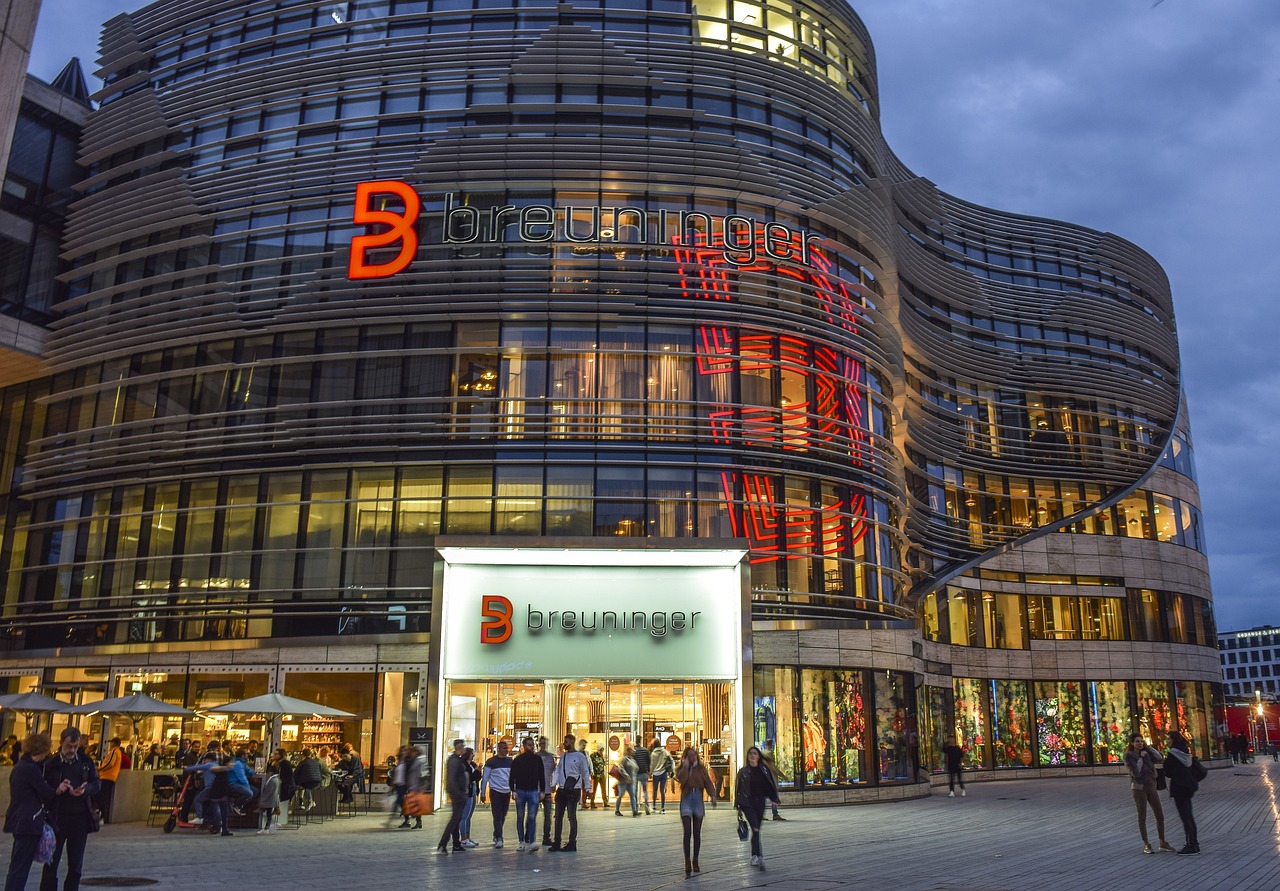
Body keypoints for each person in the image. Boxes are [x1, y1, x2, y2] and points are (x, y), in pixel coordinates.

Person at [42, 727, 101, 891]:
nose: (72, 750)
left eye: (75, 746)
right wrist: (57, 789)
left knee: (75, 865)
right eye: (69, 746)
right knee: (51, 863)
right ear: (61, 743)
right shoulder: (51, 764)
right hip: (57, 819)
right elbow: (42, 789)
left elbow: (97, 783)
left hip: (80, 820)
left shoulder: (85, 762)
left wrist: (86, 789)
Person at [5, 733, 58, 891]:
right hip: (29, 821)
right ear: (43, 750)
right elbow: (46, 792)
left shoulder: (21, 766)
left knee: (17, 865)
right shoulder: (31, 769)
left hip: (19, 819)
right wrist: (57, 789)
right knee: (21, 866)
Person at [1123, 732, 1173, 854]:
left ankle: (1162, 841)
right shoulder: (1129, 756)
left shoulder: (1147, 752)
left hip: (1151, 786)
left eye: (1141, 741)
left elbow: (1160, 757)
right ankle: (1146, 843)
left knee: (1159, 815)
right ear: (1132, 743)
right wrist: (1140, 758)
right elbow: (1136, 773)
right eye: (1137, 741)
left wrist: (1149, 748)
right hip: (1138, 788)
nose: (1140, 743)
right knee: (1142, 816)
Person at [735, 745, 779, 870]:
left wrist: (774, 799)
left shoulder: (764, 770)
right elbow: (738, 789)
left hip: (759, 802)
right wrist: (738, 805)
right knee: (755, 829)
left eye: (755, 754)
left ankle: (754, 855)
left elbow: (770, 786)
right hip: (747, 804)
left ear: (758, 756)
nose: (752, 756)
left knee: (757, 829)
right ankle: (759, 856)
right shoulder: (743, 772)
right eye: (750, 754)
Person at [676, 745, 717, 876]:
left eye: (694, 755)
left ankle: (696, 860)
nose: (693, 757)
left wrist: (713, 795)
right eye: (690, 755)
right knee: (687, 832)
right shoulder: (682, 769)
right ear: (686, 757)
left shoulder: (702, 769)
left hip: (698, 799)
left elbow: (708, 783)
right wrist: (686, 767)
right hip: (686, 799)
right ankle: (687, 860)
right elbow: (681, 780)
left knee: (697, 833)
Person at [549, 733, 591, 853]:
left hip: (574, 790)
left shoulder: (579, 756)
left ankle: (572, 843)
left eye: (566, 741)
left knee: (571, 817)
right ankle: (557, 842)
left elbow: (585, 772)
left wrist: (588, 788)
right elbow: (558, 771)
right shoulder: (563, 756)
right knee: (558, 817)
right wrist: (554, 785)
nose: (564, 744)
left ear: (572, 742)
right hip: (561, 789)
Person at [1164, 730, 1201, 855]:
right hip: (1188, 786)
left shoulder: (1172, 754)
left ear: (1173, 740)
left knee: (1185, 817)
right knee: (1189, 816)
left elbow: (1168, 771)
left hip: (1179, 788)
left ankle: (1191, 845)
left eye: (1169, 739)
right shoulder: (1186, 751)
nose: (1167, 741)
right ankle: (1194, 843)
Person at [510, 737, 546, 853]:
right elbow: (512, 775)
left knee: (532, 817)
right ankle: (521, 841)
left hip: (533, 790)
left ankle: (532, 841)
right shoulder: (518, 760)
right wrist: (513, 790)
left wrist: (542, 790)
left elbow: (541, 775)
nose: (532, 747)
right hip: (521, 790)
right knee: (520, 816)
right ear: (524, 746)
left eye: (532, 745)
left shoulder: (537, 759)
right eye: (529, 745)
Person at [436, 739, 469, 854]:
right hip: (458, 794)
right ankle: (443, 844)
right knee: (455, 819)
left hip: (458, 793)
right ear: (459, 748)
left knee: (457, 818)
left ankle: (456, 844)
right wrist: (458, 793)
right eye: (463, 747)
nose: (465, 749)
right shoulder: (454, 761)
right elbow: (452, 779)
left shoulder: (457, 760)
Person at [480, 740, 513, 848]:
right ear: (499, 749)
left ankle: (496, 833)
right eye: (504, 748)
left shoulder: (510, 762)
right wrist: (483, 792)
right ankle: (499, 837)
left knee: (503, 815)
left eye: (507, 748)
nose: (506, 750)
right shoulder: (491, 762)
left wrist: (514, 790)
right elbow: (485, 777)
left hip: (506, 791)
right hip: (495, 791)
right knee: (497, 815)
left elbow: (513, 777)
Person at [94, 738, 123, 825]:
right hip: (111, 777)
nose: (110, 744)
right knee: (104, 797)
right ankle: (103, 816)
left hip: (107, 776)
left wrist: (99, 768)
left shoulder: (114, 752)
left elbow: (110, 763)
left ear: (114, 743)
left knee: (101, 797)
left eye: (111, 743)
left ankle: (102, 816)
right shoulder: (118, 752)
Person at [457, 747, 481, 848]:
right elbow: (470, 778)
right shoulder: (463, 765)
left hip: (473, 789)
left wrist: (478, 771)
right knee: (465, 816)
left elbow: (477, 777)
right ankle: (463, 838)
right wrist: (476, 771)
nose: (473, 756)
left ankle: (467, 836)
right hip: (467, 791)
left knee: (469, 816)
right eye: (472, 754)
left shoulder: (472, 764)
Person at [398, 745, 425, 830]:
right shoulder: (411, 761)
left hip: (415, 785)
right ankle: (415, 821)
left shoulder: (418, 761)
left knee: (415, 804)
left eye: (412, 752)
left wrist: (420, 785)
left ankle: (417, 821)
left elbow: (421, 774)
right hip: (412, 785)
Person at [536, 737, 556, 846]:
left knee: (548, 815)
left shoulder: (550, 757)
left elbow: (553, 772)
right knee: (532, 814)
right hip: (536, 789)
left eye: (544, 743)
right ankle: (528, 835)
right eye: (541, 743)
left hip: (547, 790)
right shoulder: (535, 757)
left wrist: (553, 784)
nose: (543, 745)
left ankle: (546, 837)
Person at [268, 748, 294, 829]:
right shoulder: (275, 763)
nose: (274, 756)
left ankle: (274, 812)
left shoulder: (285, 763)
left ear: (281, 755)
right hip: (280, 785)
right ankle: (273, 812)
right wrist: (269, 763)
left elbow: (286, 777)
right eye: (274, 754)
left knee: (271, 793)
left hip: (286, 787)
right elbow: (269, 772)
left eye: (277, 754)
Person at [760, 744, 787, 820]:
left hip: (765, 782)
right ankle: (775, 814)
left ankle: (761, 814)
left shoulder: (763, 762)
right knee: (774, 797)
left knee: (763, 798)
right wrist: (783, 776)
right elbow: (775, 770)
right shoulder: (769, 762)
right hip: (771, 782)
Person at [293, 749, 323, 813]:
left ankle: (302, 803)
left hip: (307, 783)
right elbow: (320, 772)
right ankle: (309, 801)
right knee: (305, 786)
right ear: (310, 755)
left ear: (302, 755)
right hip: (318, 783)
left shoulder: (302, 762)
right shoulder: (316, 762)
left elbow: (296, 773)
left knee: (301, 786)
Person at [614, 745, 639, 817]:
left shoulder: (633, 760)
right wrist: (626, 776)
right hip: (623, 782)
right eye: (632, 750)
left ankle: (634, 811)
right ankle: (617, 810)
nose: (634, 751)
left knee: (633, 796)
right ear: (628, 751)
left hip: (631, 782)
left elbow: (636, 769)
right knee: (620, 795)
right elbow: (621, 768)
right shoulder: (625, 759)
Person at [648, 738, 671, 815]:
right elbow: (671, 760)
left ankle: (654, 806)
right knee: (662, 791)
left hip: (656, 774)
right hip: (664, 773)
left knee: (655, 790)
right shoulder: (665, 752)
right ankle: (663, 808)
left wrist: (650, 773)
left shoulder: (653, 754)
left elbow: (652, 765)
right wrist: (672, 771)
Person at [632, 739, 651, 815]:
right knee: (645, 791)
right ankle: (646, 806)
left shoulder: (634, 751)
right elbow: (648, 761)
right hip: (644, 772)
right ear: (641, 741)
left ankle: (636, 807)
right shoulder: (645, 750)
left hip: (635, 773)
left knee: (635, 791)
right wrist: (648, 771)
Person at [587, 744, 608, 810]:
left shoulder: (601, 756)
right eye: (600, 750)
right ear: (598, 749)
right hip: (595, 774)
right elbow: (590, 764)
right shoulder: (593, 756)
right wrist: (591, 772)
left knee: (603, 788)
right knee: (594, 789)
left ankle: (605, 802)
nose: (601, 751)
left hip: (601, 773)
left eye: (602, 750)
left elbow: (603, 763)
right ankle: (592, 802)